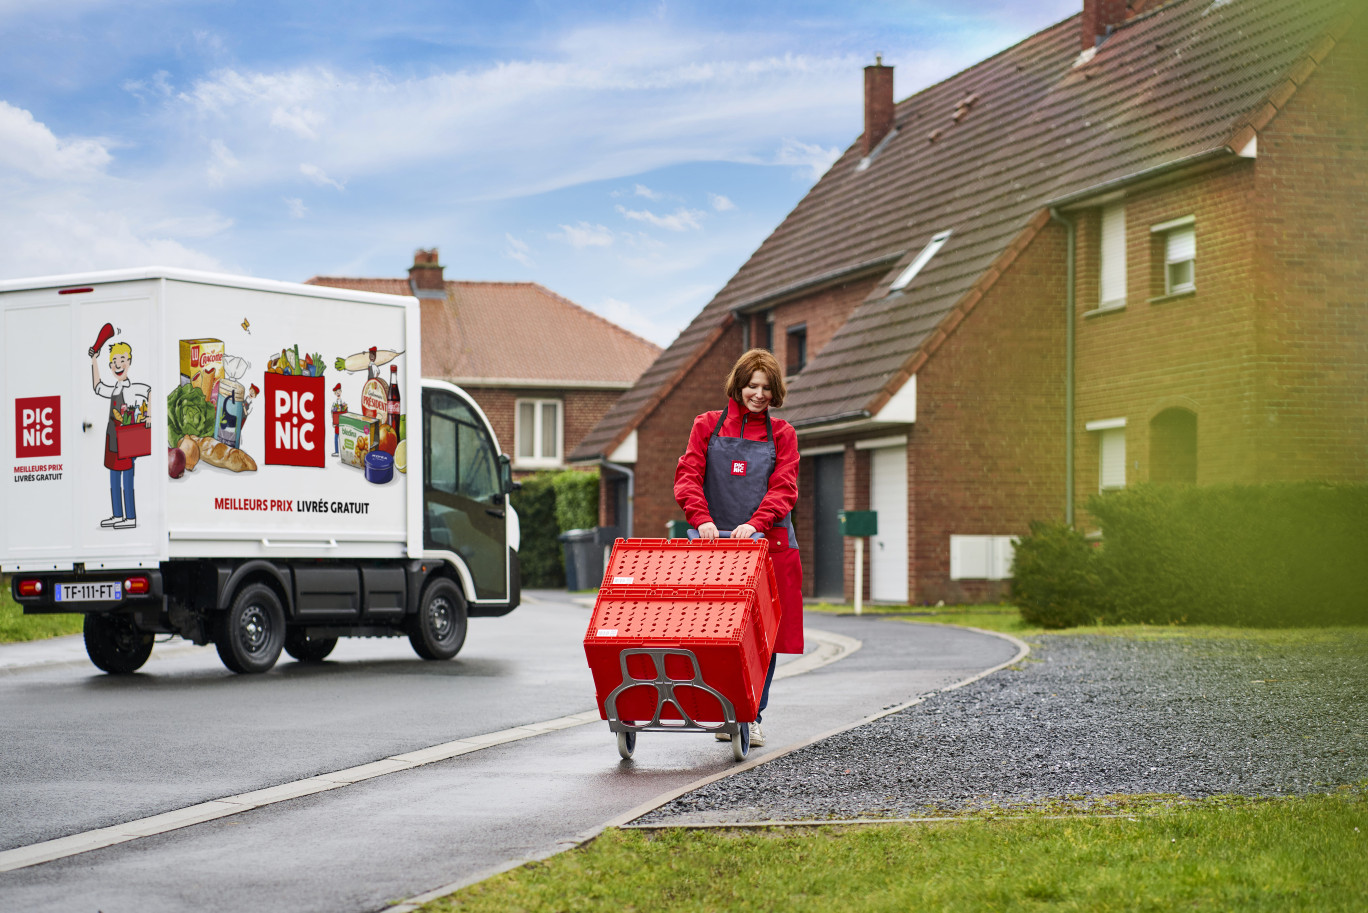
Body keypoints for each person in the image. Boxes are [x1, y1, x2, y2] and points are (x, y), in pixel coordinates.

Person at [674, 348, 803, 748]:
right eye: (752, 386)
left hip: (766, 545)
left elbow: (784, 489)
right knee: (712, 634)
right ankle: (721, 709)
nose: (759, 394)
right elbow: (688, 477)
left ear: (775, 391)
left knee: (762, 638)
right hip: (713, 548)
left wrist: (754, 524)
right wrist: (702, 520)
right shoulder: (707, 427)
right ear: (739, 385)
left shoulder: (783, 434)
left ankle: (753, 715)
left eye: (766, 388)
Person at [92, 341, 150, 530]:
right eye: (114, 361)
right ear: (110, 366)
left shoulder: (131, 388)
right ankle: (117, 514)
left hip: (126, 438)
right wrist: (94, 360)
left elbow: (149, 391)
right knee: (113, 478)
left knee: (127, 479)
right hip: (112, 438)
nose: (118, 364)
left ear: (129, 362)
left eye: (122, 360)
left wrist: (148, 415)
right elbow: (98, 387)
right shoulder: (114, 389)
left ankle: (130, 517)